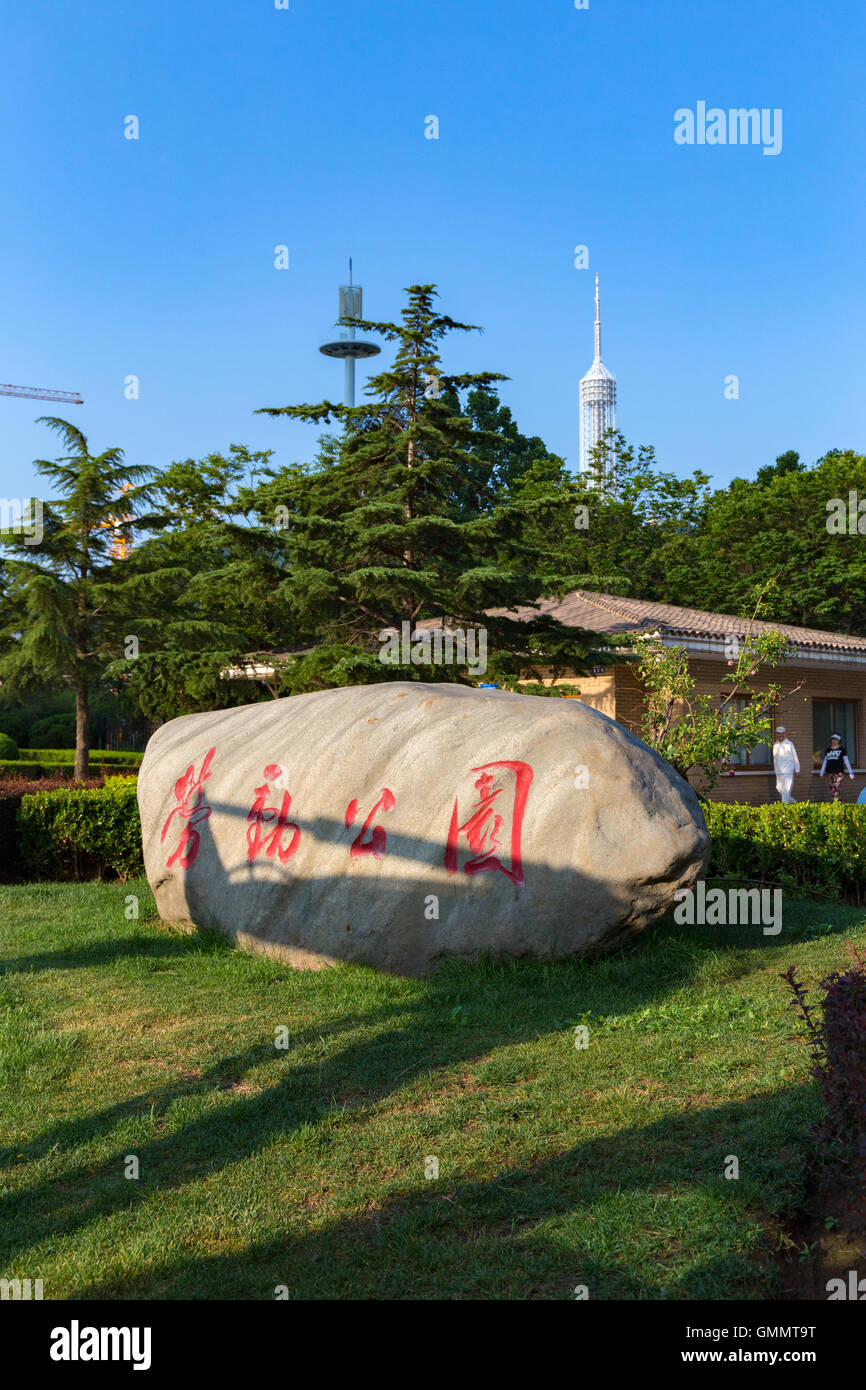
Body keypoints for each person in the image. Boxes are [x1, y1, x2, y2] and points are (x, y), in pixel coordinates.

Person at [819, 732, 854, 801]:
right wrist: (822, 771)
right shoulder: (828, 750)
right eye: (833, 739)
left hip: (839, 772)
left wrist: (851, 772)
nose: (834, 741)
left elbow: (846, 761)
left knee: (837, 787)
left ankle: (836, 803)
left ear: (839, 741)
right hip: (830, 772)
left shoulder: (842, 750)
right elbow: (825, 761)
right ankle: (836, 802)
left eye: (836, 739)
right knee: (832, 788)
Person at [772, 726, 800, 803]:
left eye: (781, 734)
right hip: (778, 771)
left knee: (786, 790)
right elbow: (775, 758)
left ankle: (785, 808)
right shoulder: (775, 745)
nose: (780, 736)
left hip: (788, 770)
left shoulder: (789, 744)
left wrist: (797, 769)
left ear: (784, 734)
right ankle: (792, 801)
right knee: (779, 788)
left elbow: (794, 757)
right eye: (778, 734)